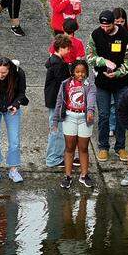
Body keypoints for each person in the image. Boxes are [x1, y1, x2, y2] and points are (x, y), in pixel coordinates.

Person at [87, 9, 128, 162]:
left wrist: (118, 72)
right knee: (103, 115)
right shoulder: (95, 35)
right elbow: (90, 56)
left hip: (120, 83)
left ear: (114, 23)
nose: (105, 29)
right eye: (102, 26)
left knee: (121, 115)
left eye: (108, 26)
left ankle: (120, 147)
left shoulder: (125, 36)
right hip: (102, 83)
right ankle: (103, 147)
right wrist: (103, 61)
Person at [0, 57, 27, 183]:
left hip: (10, 107)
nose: (1, 75)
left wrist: (16, 105)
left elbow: (22, 93)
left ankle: (13, 170)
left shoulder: (18, 73)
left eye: (4, 72)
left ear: (9, 69)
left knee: (14, 140)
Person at [54, 59, 95, 189]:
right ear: (72, 72)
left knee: (83, 148)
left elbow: (91, 99)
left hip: (84, 118)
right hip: (69, 117)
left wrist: (90, 111)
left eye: (83, 72)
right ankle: (68, 176)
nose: (80, 74)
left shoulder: (90, 85)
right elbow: (59, 102)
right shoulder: (65, 84)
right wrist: (55, 120)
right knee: (69, 147)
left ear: (87, 72)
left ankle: (84, 175)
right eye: (77, 72)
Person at [44, 34, 72, 168]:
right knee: (57, 130)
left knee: (56, 129)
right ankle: (53, 158)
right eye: (67, 48)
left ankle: (55, 156)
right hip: (57, 102)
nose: (69, 51)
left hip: (52, 100)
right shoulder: (59, 65)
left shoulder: (52, 62)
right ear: (61, 48)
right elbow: (64, 83)